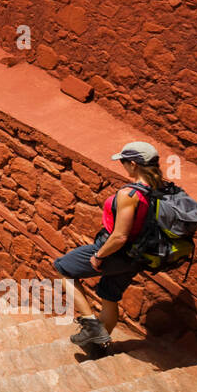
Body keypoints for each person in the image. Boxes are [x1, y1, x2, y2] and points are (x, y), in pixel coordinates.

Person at [53, 140, 164, 351]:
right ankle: (100, 348)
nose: (123, 166)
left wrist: (99, 256)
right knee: (109, 297)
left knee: (63, 268)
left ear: (133, 164)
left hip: (116, 251)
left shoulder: (130, 194)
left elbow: (120, 236)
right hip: (139, 256)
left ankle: (91, 326)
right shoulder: (162, 189)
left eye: (123, 162)